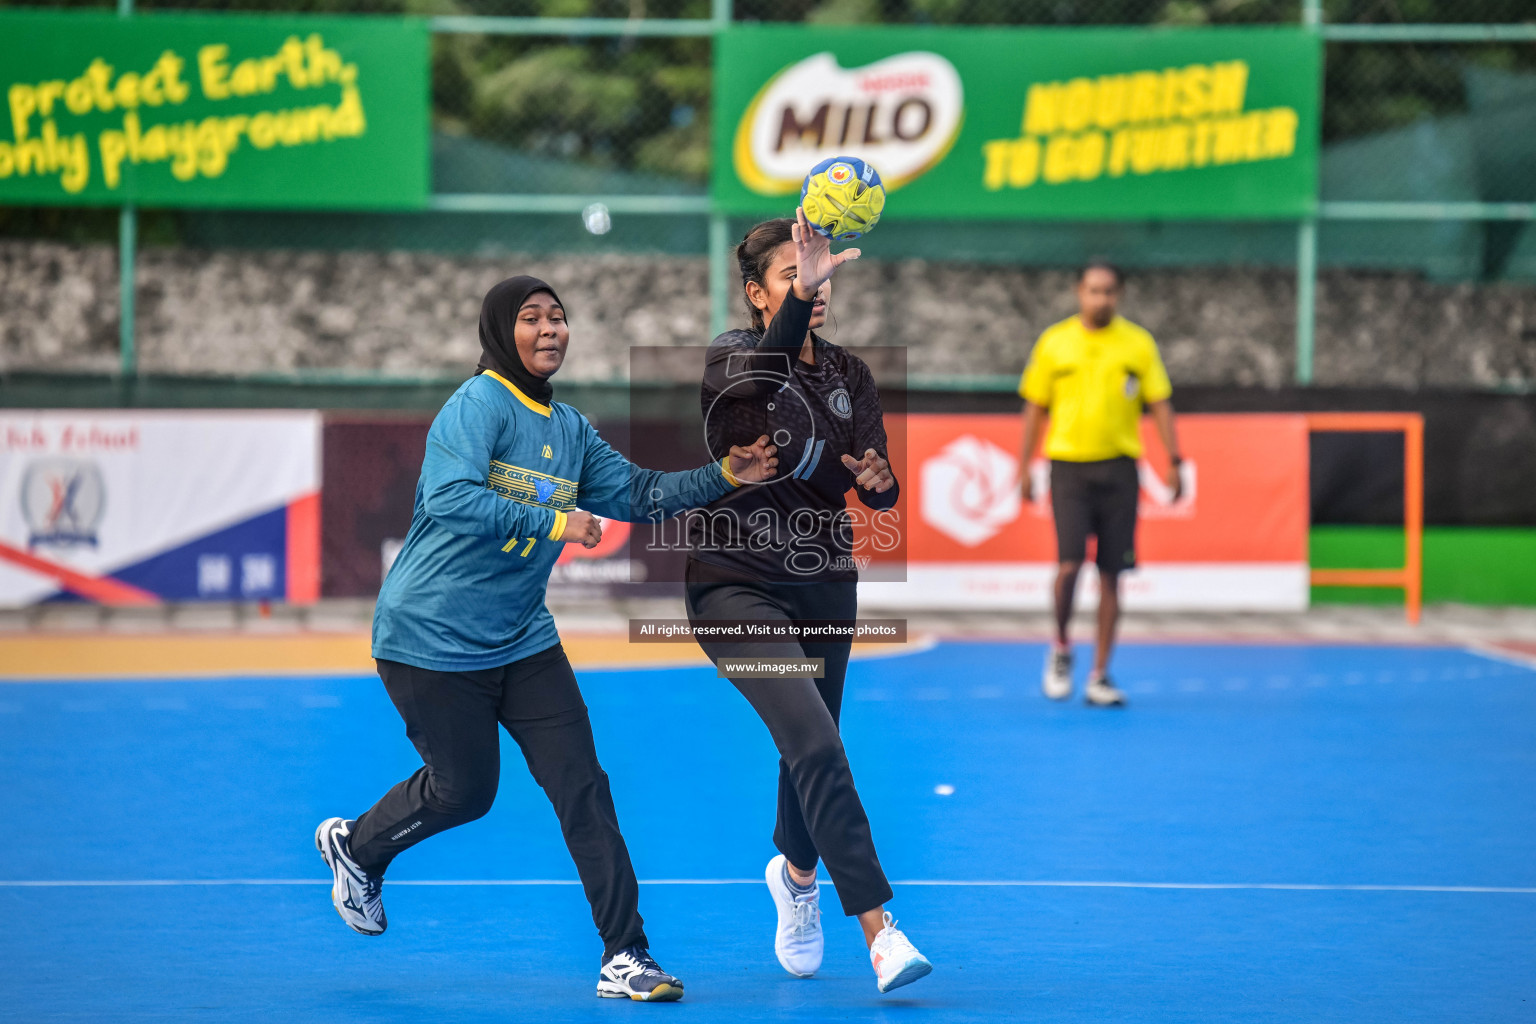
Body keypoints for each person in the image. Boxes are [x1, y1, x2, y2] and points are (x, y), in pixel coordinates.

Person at [315, 276, 778, 1003]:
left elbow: (638, 494)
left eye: (558, 319)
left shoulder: (569, 429)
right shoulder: (477, 405)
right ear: (502, 331)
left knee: (582, 787)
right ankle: (358, 846)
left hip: (523, 638)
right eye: (531, 319)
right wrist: (555, 517)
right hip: (428, 638)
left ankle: (627, 954)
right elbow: (450, 497)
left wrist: (723, 474)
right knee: (466, 794)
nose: (549, 330)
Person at [681, 208, 932, 995]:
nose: (813, 285)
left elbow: (876, 483)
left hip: (825, 580)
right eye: (794, 274)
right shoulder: (730, 360)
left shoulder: (851, 374)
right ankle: (880, 932)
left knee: (812, 742)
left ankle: (794, 875)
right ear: (759, 294)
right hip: (733, 585)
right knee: (818, 745)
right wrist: (797, 304)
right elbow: (759, 383)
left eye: (816, 272)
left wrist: (881, 484)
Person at [1019, 261, 1182, 707]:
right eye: (1093, 291)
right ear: (1079, 292)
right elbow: (1035, 406)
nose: (1101, 299)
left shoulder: (1137, 343)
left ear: (1119, 295)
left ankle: (1100, 674)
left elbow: (1160, 402)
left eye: (1109, 291)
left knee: (1112, 574)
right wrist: (1023, 467)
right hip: (1068, 467)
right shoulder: (1055, 342)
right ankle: (1061, 649)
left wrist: (1174, 459)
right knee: (1069, 565)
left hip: (1120, 470)